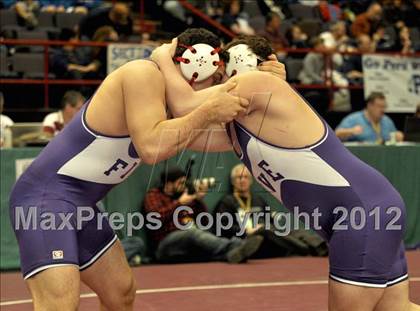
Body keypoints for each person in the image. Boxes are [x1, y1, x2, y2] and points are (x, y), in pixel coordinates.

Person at [9, 28, 284, 310]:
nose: (215, 84)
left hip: (81, 206)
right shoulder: (142, 73)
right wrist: (210, 111)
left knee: (120, 292)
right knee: (61, 304)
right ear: (191, 64)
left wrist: (268, 97)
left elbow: (218, 140)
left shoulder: (167, 103)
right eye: (213, 77)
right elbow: (152, 147)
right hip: (46, 200)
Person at [151, 34, 419, 311]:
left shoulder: (258, 82)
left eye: (223, 63)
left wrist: (161, 59)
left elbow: (185, 104)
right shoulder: (236, 126)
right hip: (366, 208)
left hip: (361, 214)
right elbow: (183, 131)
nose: (217, 71)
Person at [144, 166, 263, 264]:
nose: (183, 186)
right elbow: (155, 218)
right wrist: (179, 203)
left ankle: (234, 254)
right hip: (165, 245)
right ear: (168, 184)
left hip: (186, 245)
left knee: (202, 238)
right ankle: (236, 245)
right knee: (192, 232)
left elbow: (205, 221)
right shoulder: (154, 195)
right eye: (180, 183)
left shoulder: (185, 197)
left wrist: (198, 199)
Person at [214, 164, 327, 258]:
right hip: (248, 240)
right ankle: (304, 249)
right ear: (233, 181)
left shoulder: (258, 200)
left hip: (270, 238)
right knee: (265, 228)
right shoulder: (227, 202)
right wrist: (246, 231)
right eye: (239, 177)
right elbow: (224, 227)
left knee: (294, 230)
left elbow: (272, 222)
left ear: (251, 180)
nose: (242, 180)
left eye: (246, 177)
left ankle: (322, 246)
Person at [335, 92, 404, 143]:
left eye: (384, 106)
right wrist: (351, 131)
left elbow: (395, 136)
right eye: (379, 106)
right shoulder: (354, 119)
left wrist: (398, 136)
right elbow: (336, 135)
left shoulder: (387, 120)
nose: (383, 110)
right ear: (369, 105)